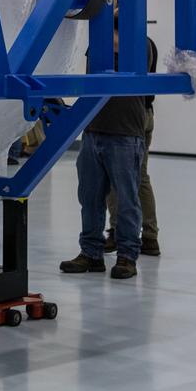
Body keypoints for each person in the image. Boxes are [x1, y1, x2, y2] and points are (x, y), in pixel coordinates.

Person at [59, 24, 155, 280]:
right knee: (89, 198)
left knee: (127, 199)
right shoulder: (97, 44)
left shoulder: (141, 43)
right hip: (93, 130)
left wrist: (108, 22)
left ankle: (127, 256)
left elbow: (121, 50)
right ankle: (91, 252)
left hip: (125, 132)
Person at [105, 47, 160, 256]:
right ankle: (149, 236)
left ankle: (118, 232)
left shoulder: (129, 46)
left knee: (116, 176)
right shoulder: (147, 43)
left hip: (129, 117)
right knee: (140, 176)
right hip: (144, 114)